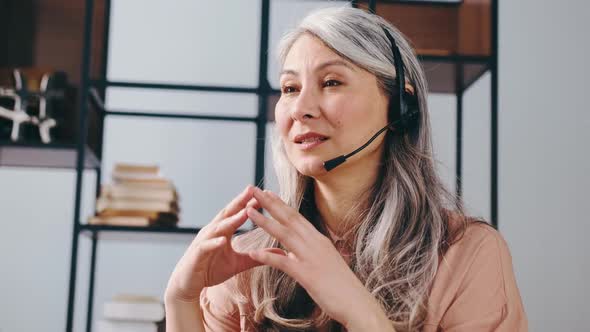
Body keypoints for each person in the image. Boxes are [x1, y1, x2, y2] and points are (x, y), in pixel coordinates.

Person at [164, 6, 527, 332]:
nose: (301, 108)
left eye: (331, 82)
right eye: (290, 88)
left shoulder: (468, 253)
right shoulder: (246, 264)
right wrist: (180, 299)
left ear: (401, 107)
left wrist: (359, 312)